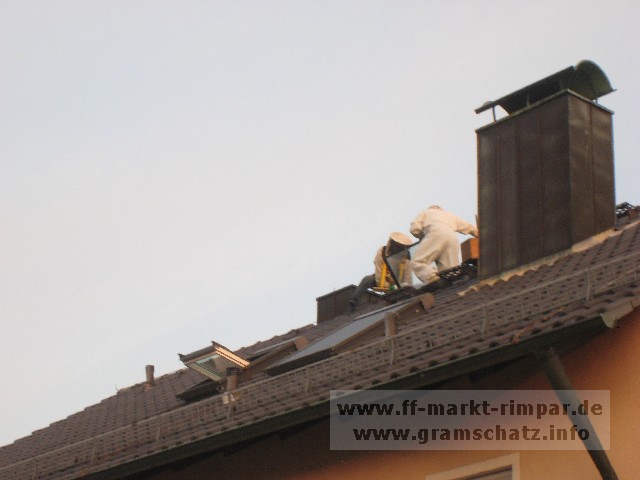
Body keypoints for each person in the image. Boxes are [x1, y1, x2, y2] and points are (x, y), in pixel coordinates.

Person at [409, 205, 478, 284]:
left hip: (435, 233)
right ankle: (453, 284)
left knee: (418, 261)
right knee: (450, 270)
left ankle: (431, 277)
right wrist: (478, 233)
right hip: (452, 237)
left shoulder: (426, 212)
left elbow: (414, 229)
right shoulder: (450, 215)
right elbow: (468, 227)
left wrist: (424, 238)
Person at [349, 232, 413, 310]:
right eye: (397, 245)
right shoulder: (382, 251)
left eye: (401, 246)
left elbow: (407, 277)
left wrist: (405, 287)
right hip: (383, 279)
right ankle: (353, 301)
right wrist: (390, 288)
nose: (398, 248)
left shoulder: (406, 257)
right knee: (367, 279)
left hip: (398, 282)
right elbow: (379, 275)